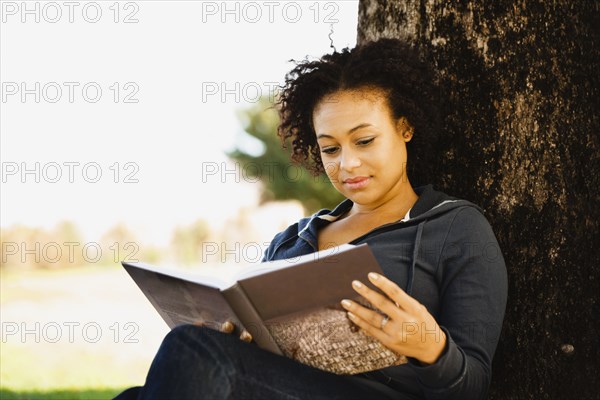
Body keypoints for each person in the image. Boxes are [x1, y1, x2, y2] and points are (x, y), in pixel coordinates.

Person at [113, 38, 508, 400]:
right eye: (330, 148)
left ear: (404, 128)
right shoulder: (291, 240)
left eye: (364, 141)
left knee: (191, 352)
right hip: (284, 387)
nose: (347, 163)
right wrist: (236, 339)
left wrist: (429, 346)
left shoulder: (457, 229)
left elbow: (472, 386)